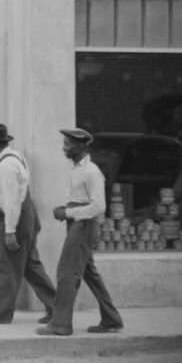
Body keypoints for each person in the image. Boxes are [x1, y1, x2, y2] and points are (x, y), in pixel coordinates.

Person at [37, 128, 124, 336]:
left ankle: (61, 323)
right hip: (78, 224)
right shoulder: (77, 169)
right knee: (89, 274)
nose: (64, 148)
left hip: (83, 225)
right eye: (65, 143)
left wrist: (68, 212)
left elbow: (99, 207)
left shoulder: (91, 171)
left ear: (81, 146)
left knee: (67, 273)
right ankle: (111, 319)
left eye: (68, 144)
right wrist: (68, 212)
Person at [0, 123, 57, 325]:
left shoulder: (6, 166)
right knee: (30, 266)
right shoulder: (15, 159)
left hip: (15, 220)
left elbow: (11, 201)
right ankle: (56, 307)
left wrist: (10, 231)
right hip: (25, 218)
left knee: (4, 266)